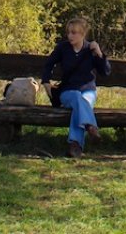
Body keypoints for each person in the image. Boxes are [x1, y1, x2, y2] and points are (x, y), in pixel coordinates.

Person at [41, 16, 111, 158]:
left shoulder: (90, 49)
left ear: (83, 34)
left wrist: (99, 53)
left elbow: (106, 72)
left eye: (74, 33)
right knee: (77, 98)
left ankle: (75, 146)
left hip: (88, 90)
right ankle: (90, 126)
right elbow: (48, 64)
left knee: (79, 106)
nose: (70, 36)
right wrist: (46, 82)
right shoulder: (63, 48)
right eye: (69, 32)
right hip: (68, 91)